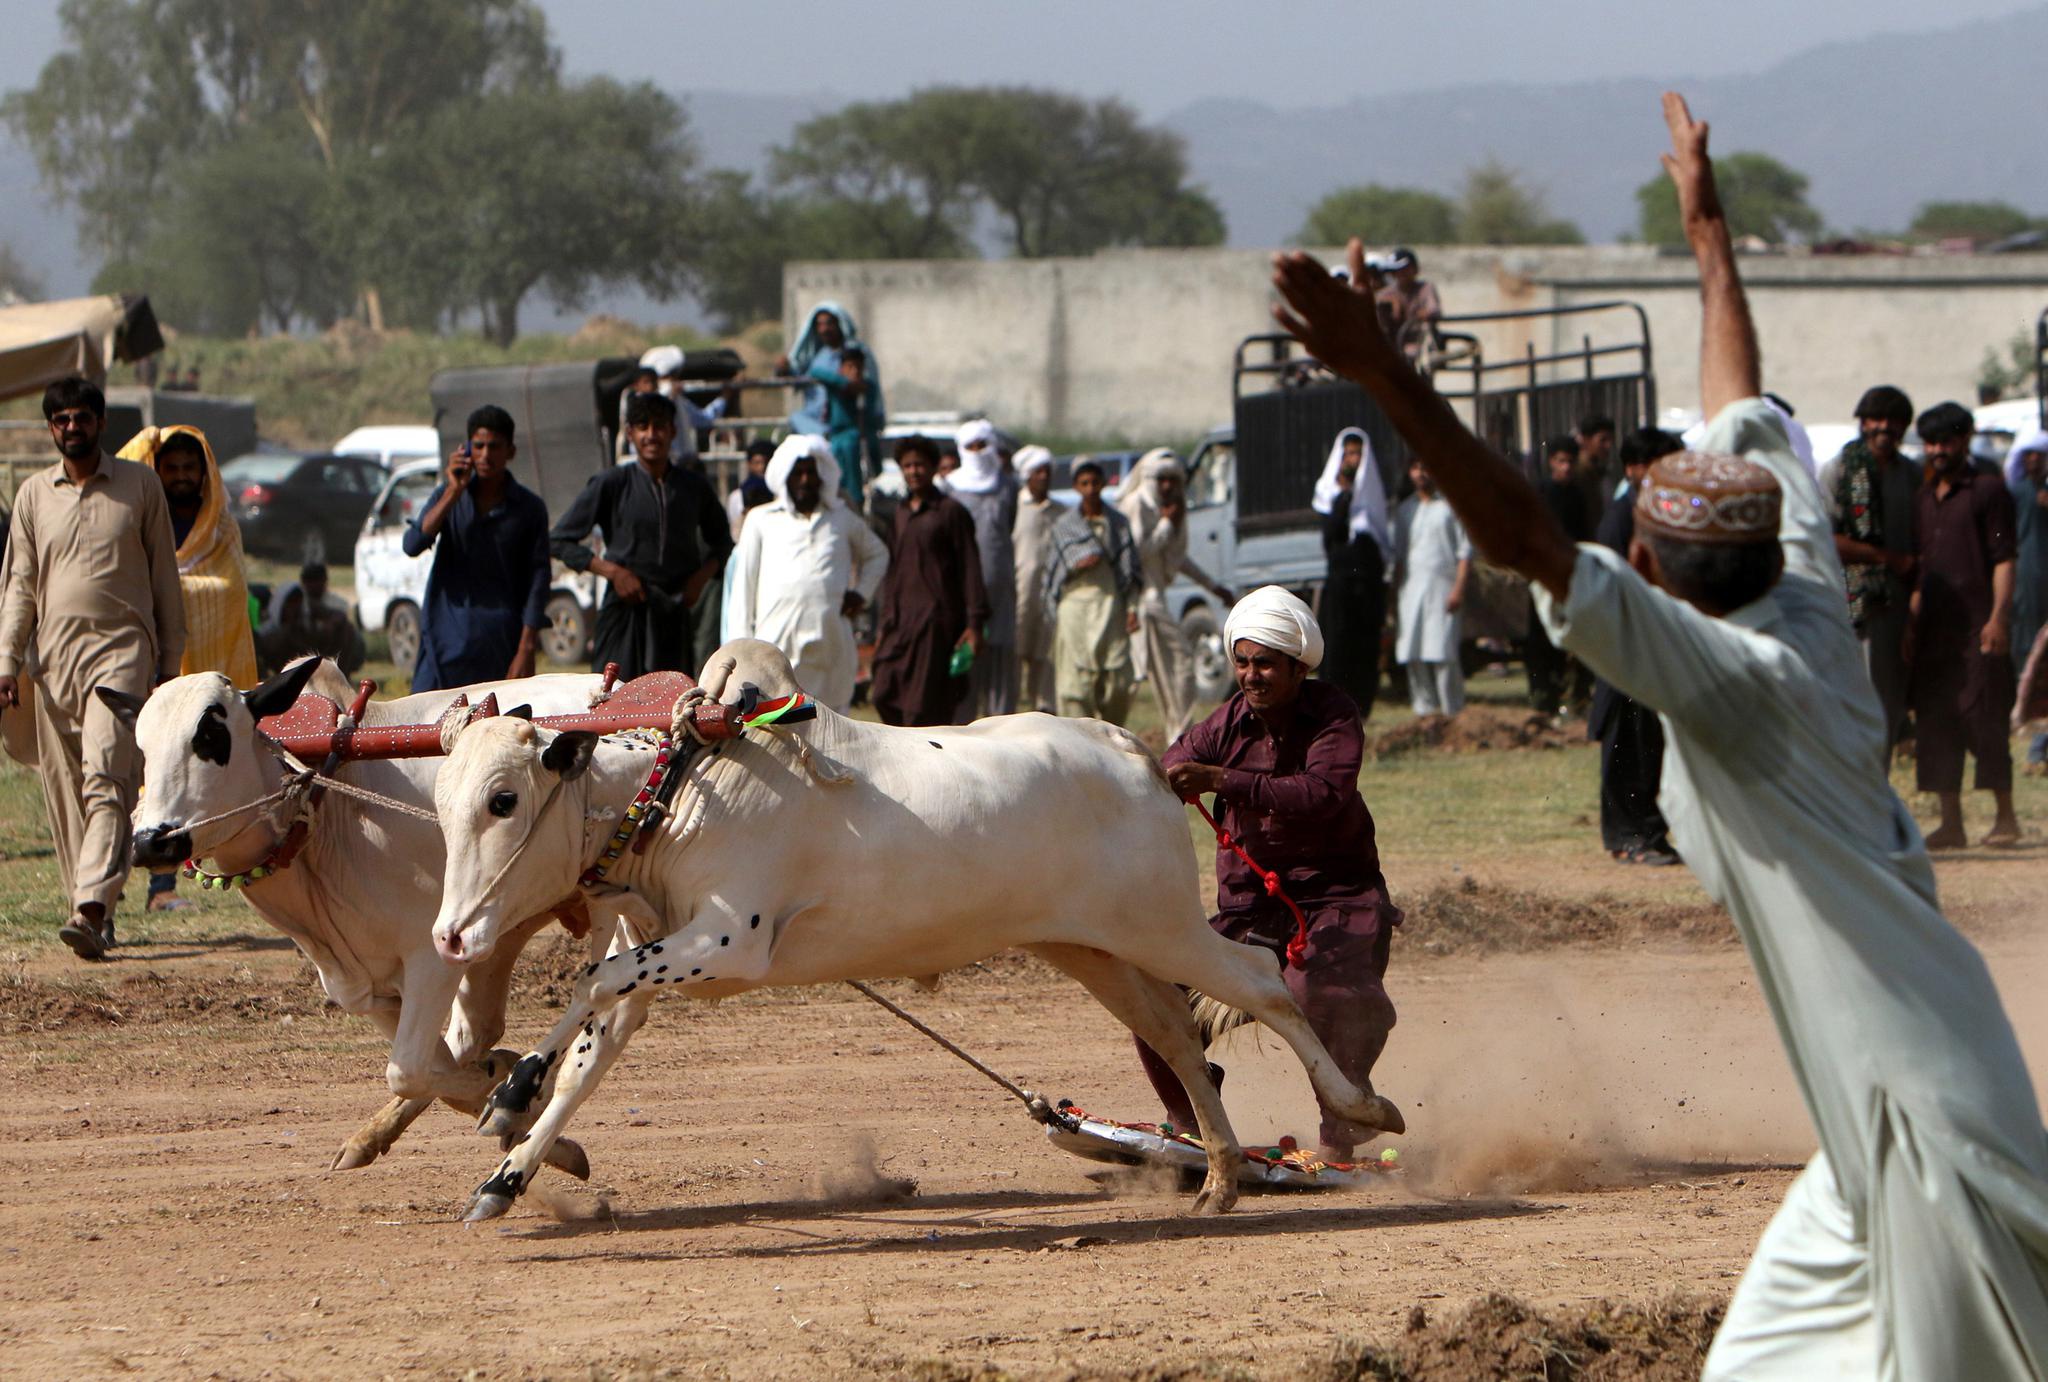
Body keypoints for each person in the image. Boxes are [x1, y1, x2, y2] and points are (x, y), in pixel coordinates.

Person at [1270, 90, 2048, 1379]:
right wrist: (1705, 229)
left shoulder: (1725, 674)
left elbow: (1521, 538)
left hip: (1925, 1126)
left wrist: (1386, 373)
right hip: (1877, 1119)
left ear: (1650, 569)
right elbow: (1736, 396)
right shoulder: (1791, 584)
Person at [1144, 586, 1402, 1163]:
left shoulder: (1334, 715)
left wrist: (1219, 780)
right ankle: (1193, 1123)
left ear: (1296, 666)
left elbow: (1323, 794)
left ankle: (1342, 1136)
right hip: (1249, 913)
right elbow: (1170, 767)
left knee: (1318, 992)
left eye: (1264, 663)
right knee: (1153, 992)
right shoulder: (1225, 722)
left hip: (1337, 902)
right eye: (1242, 661)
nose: (1250, 675)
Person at [0, 376, 185, 960]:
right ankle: (94, 907)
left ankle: (90, 906)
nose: (71, 428)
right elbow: (20, 587)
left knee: (108, 778)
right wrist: (7, 661)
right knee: (68, 792)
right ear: (51, 428)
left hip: (122, 655)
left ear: (101, 424)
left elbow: (164, 582)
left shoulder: (139, 486)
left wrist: (170, 664)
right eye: (61, 420)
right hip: (52, 665)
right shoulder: (32, 496)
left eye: (81, 417)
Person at [119, 423, 259, 914]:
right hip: (155, 672)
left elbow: (230, 593)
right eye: (170, 468)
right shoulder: (139, 527)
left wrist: (180, 596)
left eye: (189, 468)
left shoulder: (223, 529)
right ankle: (143, 882)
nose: (180, 477)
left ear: (204, 475)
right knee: (150, 776)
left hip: (211, 678)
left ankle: (204, 873)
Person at [551, 391, 732, 681]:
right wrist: (613, 573)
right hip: (624, 615)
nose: (651, 435)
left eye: (659, 426)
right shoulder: (613, 483)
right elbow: (559, 541)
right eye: (643, 426)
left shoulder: (692, 487)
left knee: (673, 707)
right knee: (613, 706)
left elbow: (723, 543)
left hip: (673, 616)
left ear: (672, 431)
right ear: (630, 433)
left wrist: (699, 580)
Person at [1909, 400, 2020, 848]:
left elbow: (2004, 558)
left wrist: (1998, 618)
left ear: (1965, 440)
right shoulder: (1922, 498)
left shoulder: (1989, 492)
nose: (1938, 449)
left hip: (1978, 625)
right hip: (1935, 630)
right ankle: (1950, 823)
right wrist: (1911, 625)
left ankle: (2006, 816)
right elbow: (1920, 567)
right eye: (1932, 441)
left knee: (1983, 716)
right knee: (1936, 721)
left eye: (1947, 440)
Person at [722, 435, 888, 712]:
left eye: (811, 472)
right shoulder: (762, 519)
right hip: (775, 644)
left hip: (830, 643)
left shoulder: (841, 518)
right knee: (775, 729)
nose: (805, 479)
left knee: (832, 728)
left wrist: (861, 594)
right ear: (785, 476)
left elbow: (878, 554)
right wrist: (740, 652)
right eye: (797, 472)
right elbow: (743, 590)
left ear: (822, 476)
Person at [402, 405, 551, 692]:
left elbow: (539, 580)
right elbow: (413, 544)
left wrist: (526, 648)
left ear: (510, 451)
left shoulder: (528, 509)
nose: (485, 455)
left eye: (494, 447)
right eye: (478, 446)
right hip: (444, 640)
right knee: (426, 729)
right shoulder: (449, 496)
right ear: (467, 449)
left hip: (499, 642)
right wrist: (453, 491)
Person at [1587, 427, 1682, 865]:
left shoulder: (1655, 513)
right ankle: (1629, 838)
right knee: (1626, 744)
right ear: (1633, 469)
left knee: (1650, 746)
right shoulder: (1619, 519)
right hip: (1624, 650)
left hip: (1653, 649)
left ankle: (1649, 834)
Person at [1817, 385, 1919, 752]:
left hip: (1898, 608)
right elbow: (1826, 540)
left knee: (1889, 708)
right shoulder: (1839, 471)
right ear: (1862, 423)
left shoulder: (1911, 474)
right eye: (1876, 419)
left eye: (1893, 421)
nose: (1884, 427)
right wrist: (1886, 558)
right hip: (1850, 608)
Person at [868, 435, 987, 726]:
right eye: (907, 466)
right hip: (901, 623)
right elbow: (894, 570)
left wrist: (974, 625)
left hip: (936, 623)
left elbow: (970, 568)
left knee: (922, 707)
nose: (913, 471)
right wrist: (884, 622)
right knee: (883, 692)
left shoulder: (950, 512)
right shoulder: (900, 512)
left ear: (933, 468)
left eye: (920, 465)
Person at [1120, 447, 1232, 737]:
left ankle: (1178, 734)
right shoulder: (1138, 505)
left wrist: (1213, 586)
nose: (1167, 486)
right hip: (1141, 602)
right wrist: (1167, 523)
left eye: (1173, 480)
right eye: (1162, 480)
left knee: (1173, 672)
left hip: (1156, 600)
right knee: (1178, 665)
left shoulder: (1168, 508)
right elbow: (1139, 552)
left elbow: (1175, 558)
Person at [1044, 458, 1142, 723]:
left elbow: (1131, 573)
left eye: (1095, 482)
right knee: (1075, 687)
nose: (1090, 489)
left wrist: (1132, 608)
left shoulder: (1119, 524)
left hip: (1110, 606)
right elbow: (1054, 573)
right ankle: (1079, 746)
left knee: (1118, 682)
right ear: (1076, 486)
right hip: (1074, 609)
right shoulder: (1064, 526)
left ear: (1102, 484)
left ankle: (1110, 736)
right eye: (1084, 483)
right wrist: (1078, 565)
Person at [1311, 427, 1392, 716]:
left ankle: (1362, 707)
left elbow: (1378, 539)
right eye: (1347, 453)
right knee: (1337, 644)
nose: (1352, 459)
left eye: (1357, 453)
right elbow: (1331, 537)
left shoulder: (1373, 495)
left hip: (1366, 585)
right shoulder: (1328, 494)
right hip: (1340, 583)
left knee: (1365, 646)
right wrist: (1344, 497)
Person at [945, 419, 1019, 719]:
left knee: (1000, 673)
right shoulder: (949, 488)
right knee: (965, 672)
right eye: (970, 447)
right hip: (961, 596)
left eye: (982, 445)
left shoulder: (1008, 486)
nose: (977, 452)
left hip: (1000, 594)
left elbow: (1008, 526)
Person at [1392, 456, 1471, 716]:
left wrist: (1459, 587)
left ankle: (1453, 712)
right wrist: (1395, 594)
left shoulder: (1451, 507)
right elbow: (1400, 556)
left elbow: (1464, 552)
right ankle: (1424, 713)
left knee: (1442, 652)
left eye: (1426, 467)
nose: (1421, 473)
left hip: (1443, 588)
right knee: (1413, 652)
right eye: (1415, 468)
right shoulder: (1405, 510)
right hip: (1411, 590)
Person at [1526, 435, 1590, 719]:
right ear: (1552, 462)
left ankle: (1570, 696)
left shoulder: (1578, 496)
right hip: (1542, 574)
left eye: (1570, 462)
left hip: (1568, 577)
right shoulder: (1541, 492)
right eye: (1561, 461)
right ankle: (1542, 697)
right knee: (1540, 637)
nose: (1566, 467)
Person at [1010, 445, 1063, 713]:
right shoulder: (1014, 507)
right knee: (1016, 654)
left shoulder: (1061, 511)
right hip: (1020, 595)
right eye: (1038, 471)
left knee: (1045, 657)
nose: (1043, 476)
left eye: (1047, 471)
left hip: (1050, 596)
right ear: (1027, 475)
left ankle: (1043, 711)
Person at [257, 562, 366, 677]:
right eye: (290, 603)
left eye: (296, 602)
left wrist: (329, 625)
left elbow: (336, 616)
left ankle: (340, 676)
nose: (294, 607)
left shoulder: (311, 607)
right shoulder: (269, 632)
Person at [2007, 428, 2048, 676]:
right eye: (2028, 454)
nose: (2033, 460)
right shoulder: (2014, 492)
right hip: (2026, 573)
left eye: (2039, 455)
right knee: (2026, 633)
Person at [1372, 247, 1440, 364]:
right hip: (1388, 345)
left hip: (1418, 342)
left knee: (1415, 354)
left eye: (1404, 269)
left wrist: (1423, 315)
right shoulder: (1386, 293)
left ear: (1415, 269)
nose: (1399, 274)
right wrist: (1388, 303)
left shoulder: (1425, 289)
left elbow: (1433, 309)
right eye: (1395, 271)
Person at [1573, 414, 1618, 535]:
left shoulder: (1600, 471)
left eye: (1610, 440)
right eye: (1602, 440)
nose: (1608, 446)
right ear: (1585, 440)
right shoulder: (1578, 473)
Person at [725, 437, 776, 541]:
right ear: (749, 464)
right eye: (757, 463)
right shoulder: (738, 496)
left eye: (766, 463)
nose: (762, 467)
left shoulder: (781, 493)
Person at [614, 364, 661, 463]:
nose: (650, 386)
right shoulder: (632, 402)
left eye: (653, 382)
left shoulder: (662, 402)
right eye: (646, 382)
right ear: (636, 385)